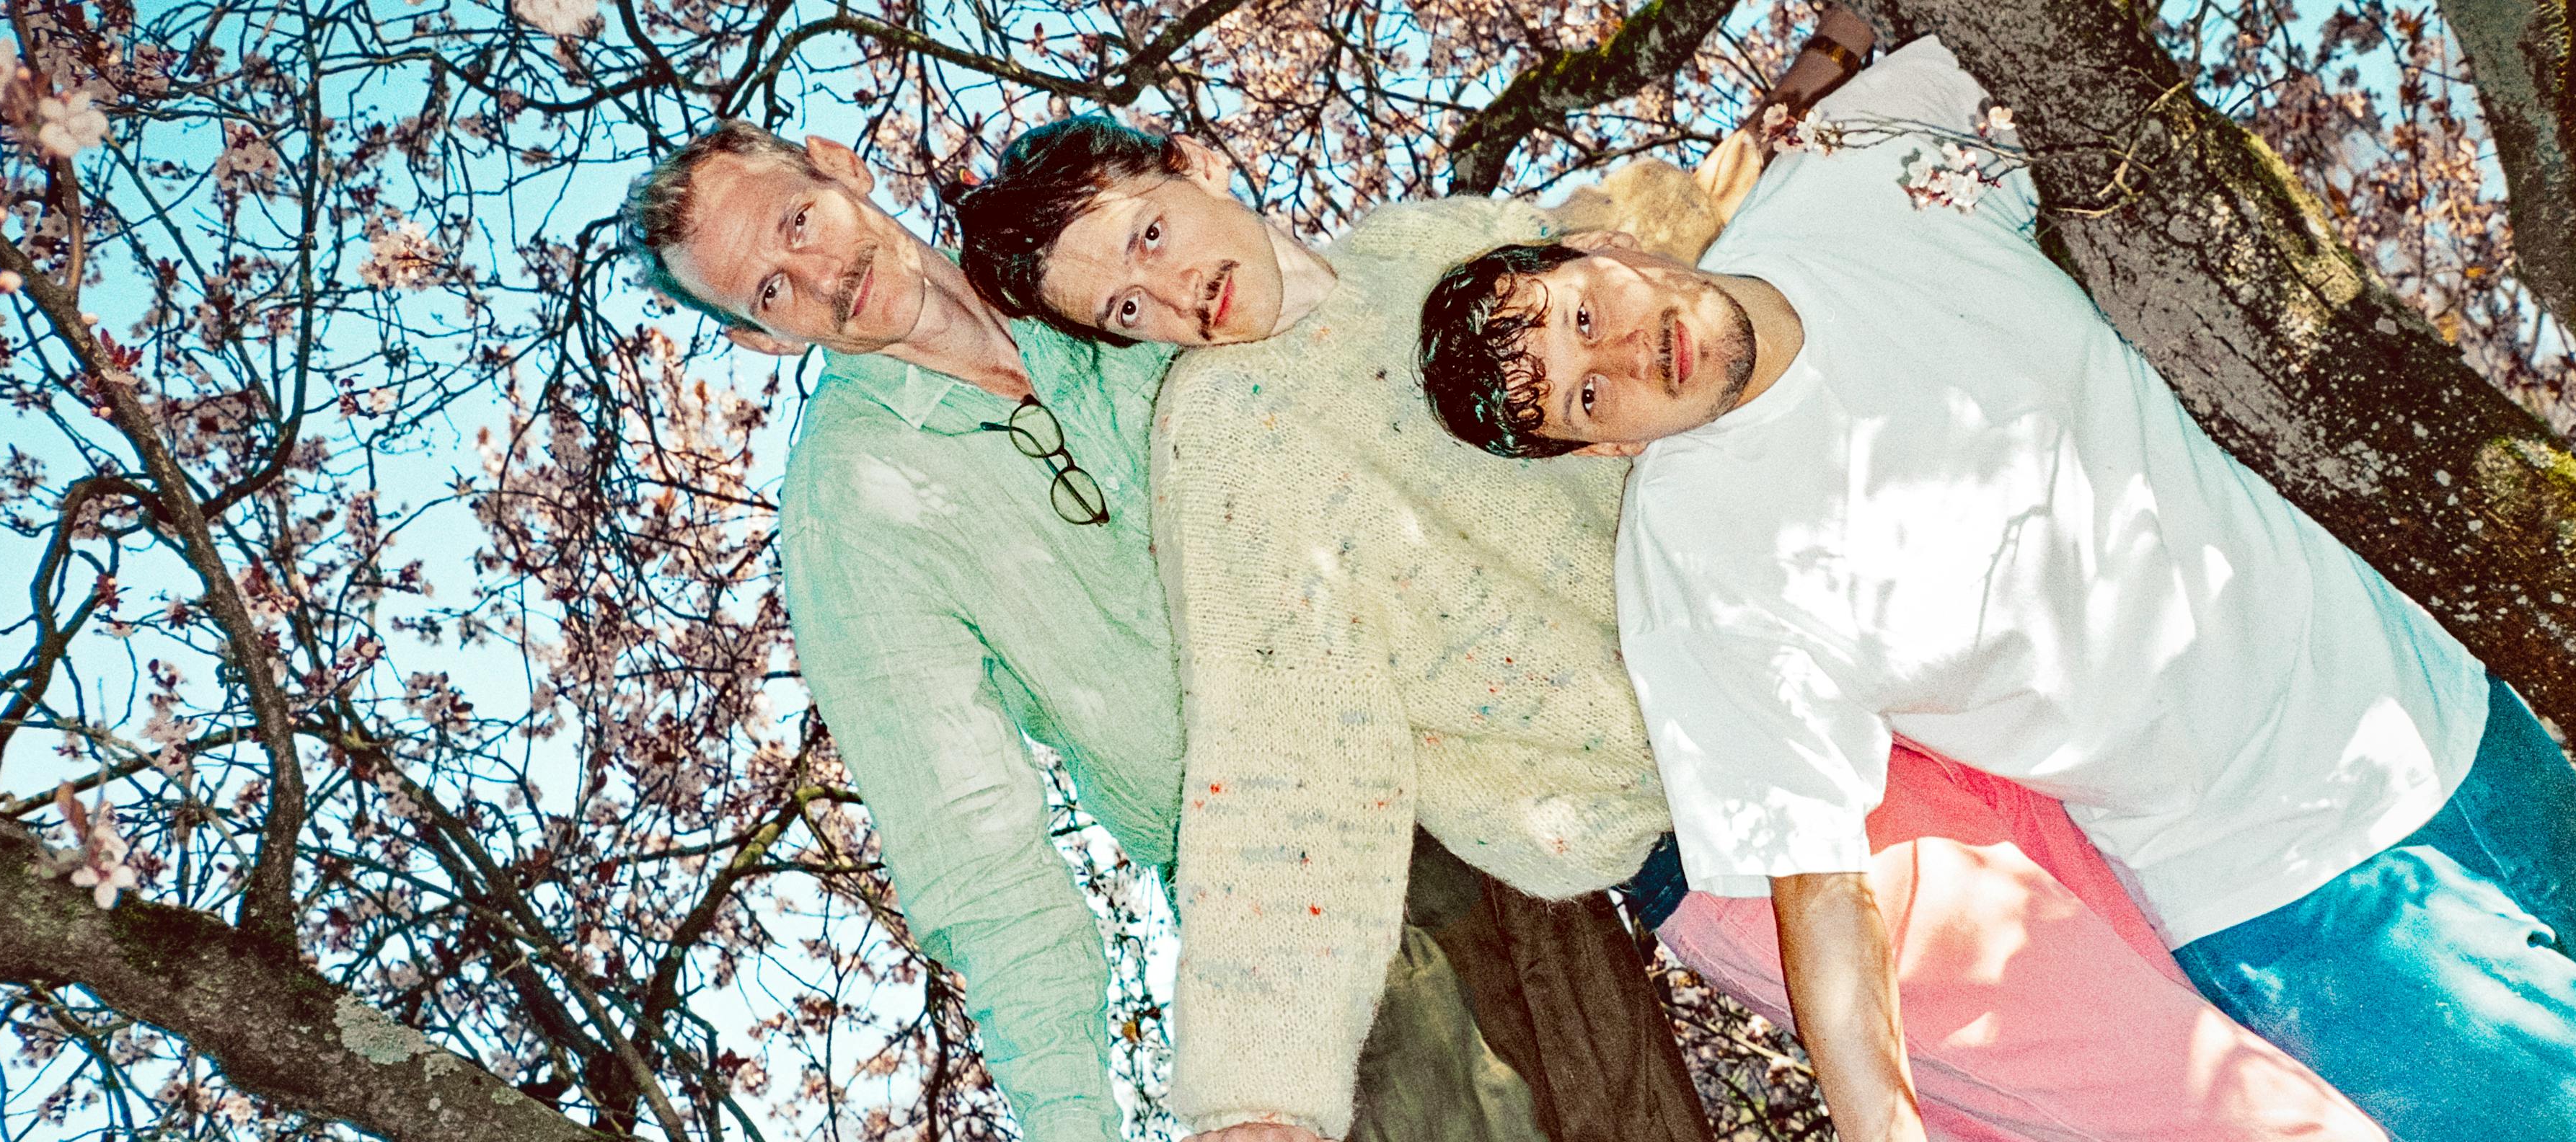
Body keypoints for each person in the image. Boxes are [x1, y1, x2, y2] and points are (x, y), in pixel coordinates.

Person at [953, 38, 2387, 1142]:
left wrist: (1817, 98)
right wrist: (1257, 1092)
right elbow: (1285, 762)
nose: (1171, 294)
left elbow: (1666, 288)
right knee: (2179, 1099)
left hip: (1901, 690)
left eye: (1146, 236)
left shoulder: (1427, 244)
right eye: (1123, 308)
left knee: (2244, 1024)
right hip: (1711, 823)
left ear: (1190, 164)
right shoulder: (1224, 449)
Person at [1411, 33, 2576, 1142]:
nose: (1625, 355)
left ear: (1609, 248)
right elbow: (1818, 884)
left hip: (2445, 709)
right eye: (1585, 396)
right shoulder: (1703, 568)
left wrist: (1838, 44)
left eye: (1582, 313)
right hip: (2293, 890)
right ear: (1605, 449)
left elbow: (2040, 56)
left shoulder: (1855, 178)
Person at [618, 121, 1711, 1142]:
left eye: (798, 221)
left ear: (837, 165)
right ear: (761, 340)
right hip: (1291, 895)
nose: (821, 276)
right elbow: (975, 848)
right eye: (771, 289)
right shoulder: (852, 512)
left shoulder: (1087, 267)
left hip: (1490, 786)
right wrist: (1073, 1125)